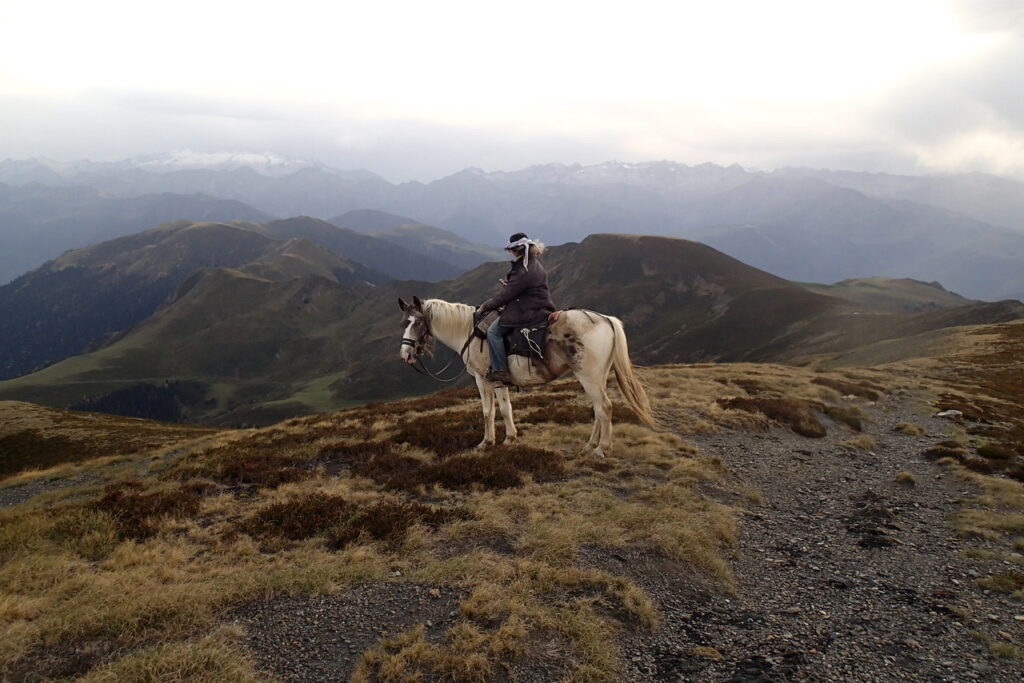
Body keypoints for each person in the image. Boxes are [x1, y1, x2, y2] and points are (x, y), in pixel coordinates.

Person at [477, 232, 555, 384]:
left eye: (511, 250)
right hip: (536, 305)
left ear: (517, 250)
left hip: (527, 309)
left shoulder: (524, 269)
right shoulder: (533, 264)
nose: (511, 253)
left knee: (493, 332)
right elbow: (521, 288)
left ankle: (500, 370)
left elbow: (505, 296)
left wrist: (485, 306)